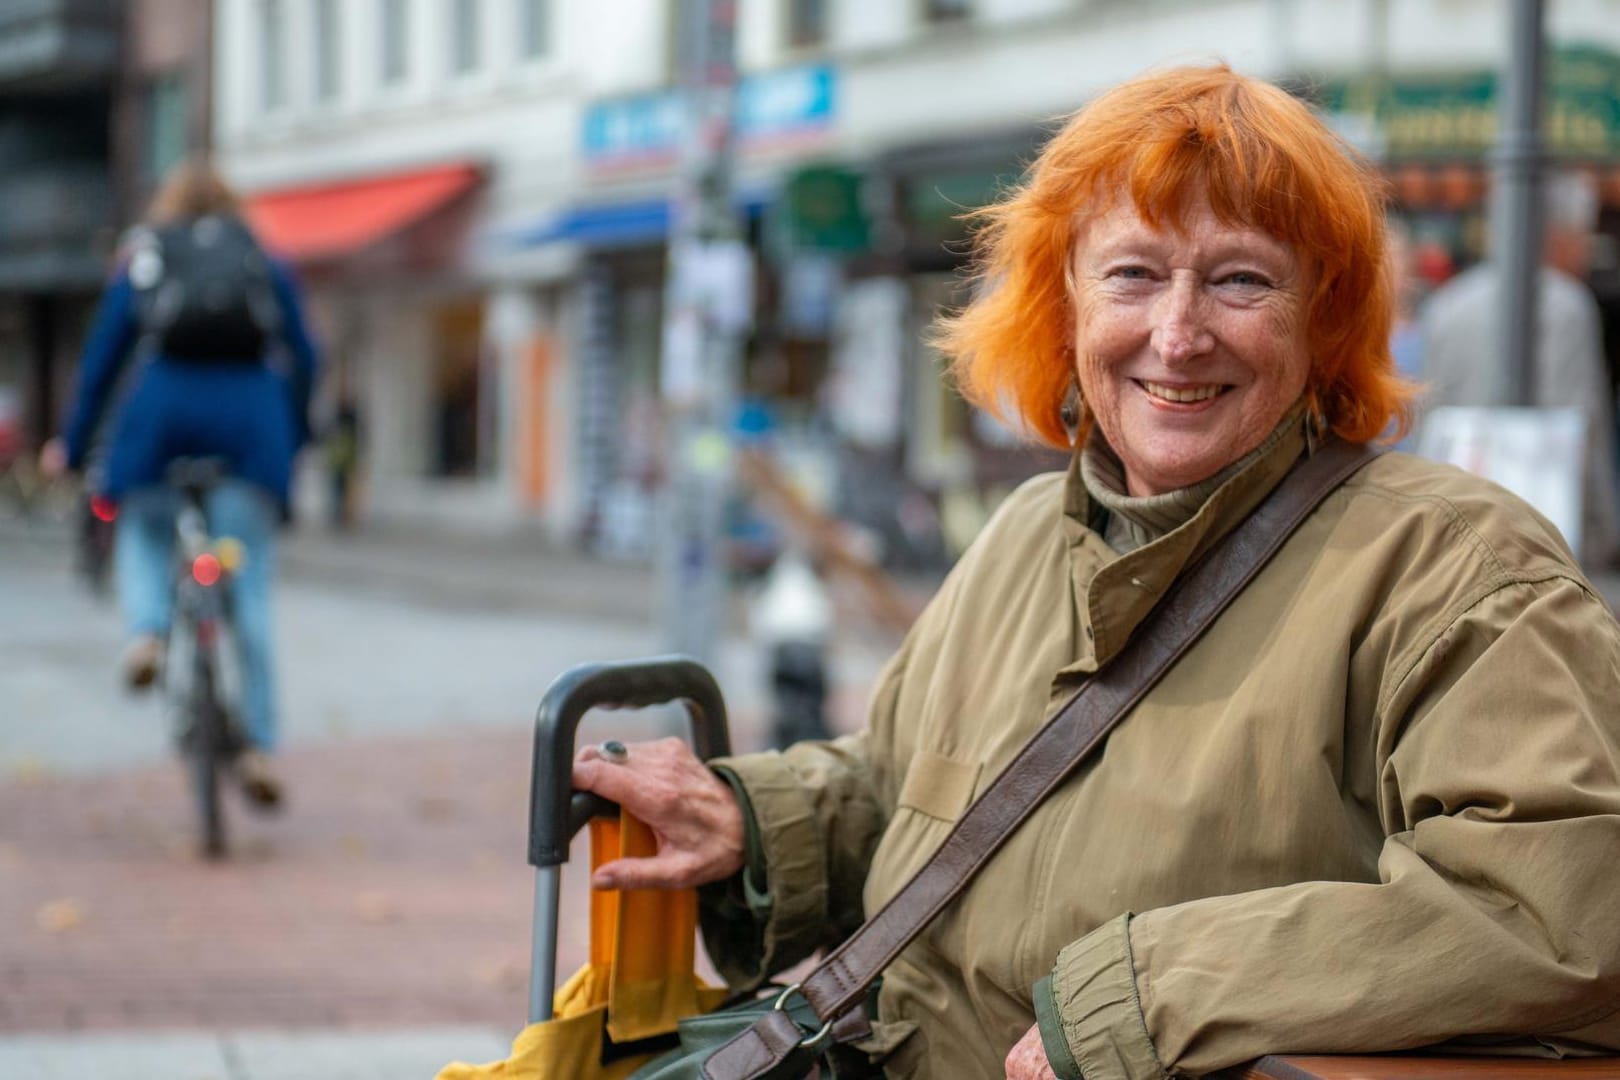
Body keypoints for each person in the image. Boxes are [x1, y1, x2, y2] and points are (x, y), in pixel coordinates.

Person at [572, 66, 1620, 1080]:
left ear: (1323, 314)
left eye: (1240, 279)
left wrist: (1156, 994)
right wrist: (756, 822)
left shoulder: (1454, 567)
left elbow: (1559, 906)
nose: (1177, 333)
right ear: (1065, 303)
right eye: (1133, 274)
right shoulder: (1028, 530)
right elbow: (907, 793)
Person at [41, 156, 320, 806]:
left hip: (161, 422)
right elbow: (304, 355)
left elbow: (103, 357)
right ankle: (259, 746)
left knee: (141, 528)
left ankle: (145, 632)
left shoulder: (147, 257)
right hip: (251, 428)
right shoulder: (260, 257)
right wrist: (297, 435)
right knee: (246, 590)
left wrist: (74, 444)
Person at [1417, 170, 1620, 567]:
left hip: (1455, 521)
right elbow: (1585, 423)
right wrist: (1604, 532)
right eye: (1581, 237)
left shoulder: (1446, 305)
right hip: (1541, 522)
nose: (1583, 251)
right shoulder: (1568, 307)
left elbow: (1426, 419)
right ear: (1557, 235)